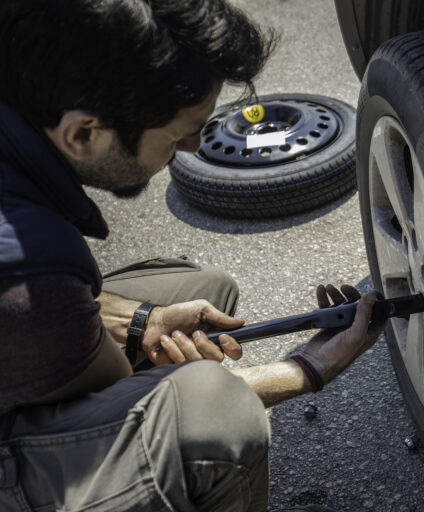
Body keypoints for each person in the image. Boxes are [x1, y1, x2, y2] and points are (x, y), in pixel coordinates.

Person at [0, 1, 384, 511]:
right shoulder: (31, 276)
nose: (193, 148)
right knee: (213, 412)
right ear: (82, 134)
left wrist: (144, 321)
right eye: (180, 133)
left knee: (199, 290)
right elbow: (124, 394)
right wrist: (306, 368)